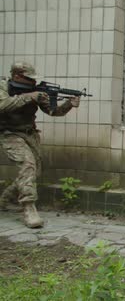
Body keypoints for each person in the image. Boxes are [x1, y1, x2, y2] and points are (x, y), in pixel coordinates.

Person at [0, 61, 80, 228]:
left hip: (30, 134)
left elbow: (53, 111)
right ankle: (29, 208)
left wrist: (68, 105)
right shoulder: (3, 87)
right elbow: (3, 105)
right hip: (9, 134)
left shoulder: (36, 91)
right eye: (29, 79)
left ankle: (6, 197)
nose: (33, 83)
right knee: (27, 165)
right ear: (17, 76)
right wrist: (29, 96)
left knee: (35, 171)